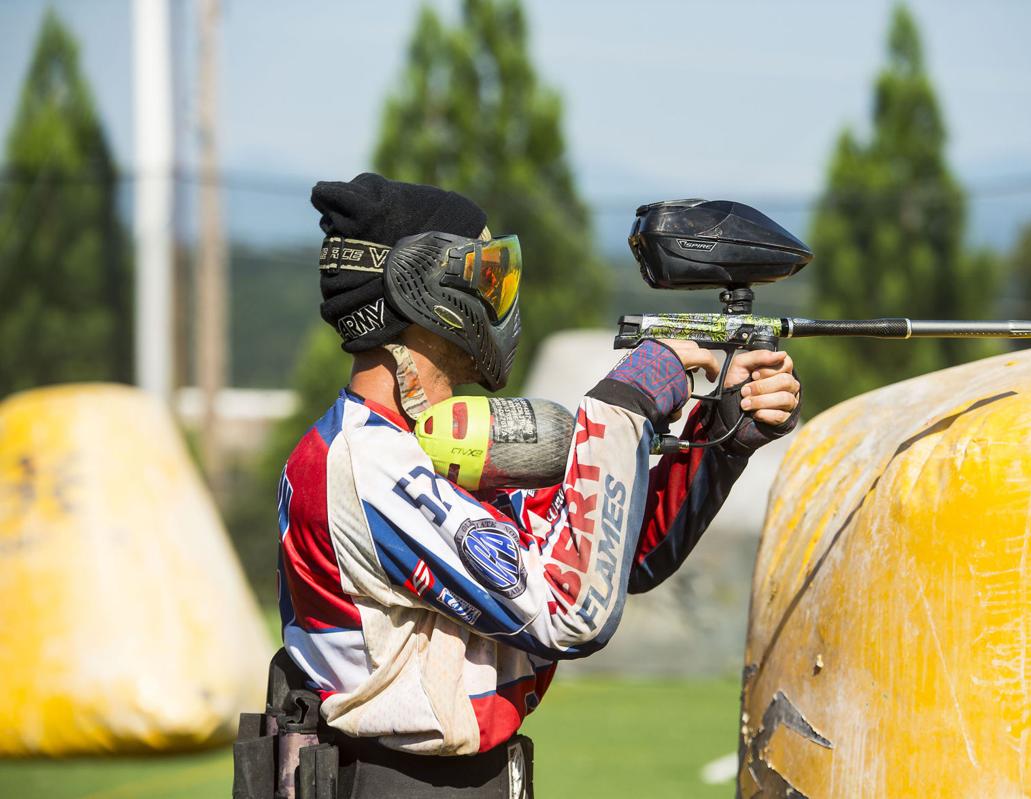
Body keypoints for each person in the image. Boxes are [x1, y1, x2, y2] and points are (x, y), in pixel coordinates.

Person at [270, 173, 802, 796]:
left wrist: (722, 435)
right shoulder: (362, 462)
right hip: (393, 783)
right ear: (427, 289)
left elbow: (611, 555)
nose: (502, 300)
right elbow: (569, 612)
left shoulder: (433, 447)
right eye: (487, 277)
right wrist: (626, 404)